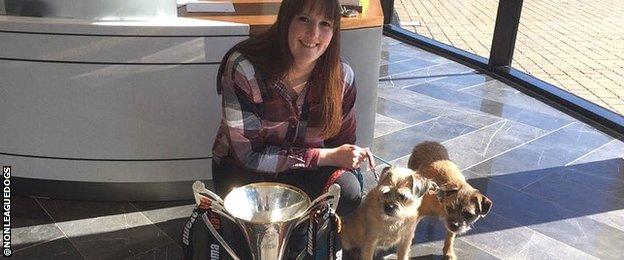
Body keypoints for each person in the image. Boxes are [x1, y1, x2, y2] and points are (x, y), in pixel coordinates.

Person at [201, 0, 367, 258]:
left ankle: (302, 235)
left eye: (325, 24)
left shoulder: (342, 75)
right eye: (304, 20)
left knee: (348, 191)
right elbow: (248, 154)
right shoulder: (245, 67)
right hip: (244, 169)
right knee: (250, 242)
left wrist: (349, 156)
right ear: (286, 19)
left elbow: (343, 142)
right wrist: (324, 156)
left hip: (300, 168)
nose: (313, 35)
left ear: (334, 32)